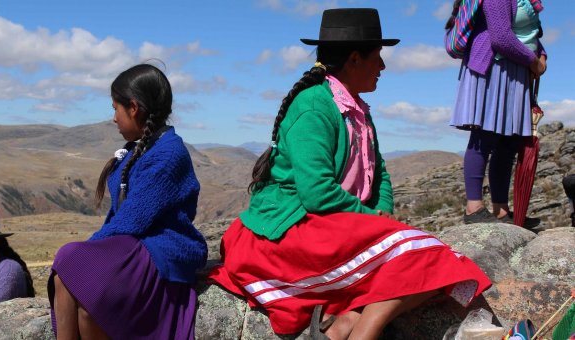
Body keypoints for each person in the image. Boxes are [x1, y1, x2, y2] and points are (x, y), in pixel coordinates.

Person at [209, 8, 492, 340]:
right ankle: (364, 333)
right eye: (378, 57)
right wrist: (374, 219)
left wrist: (382, 210)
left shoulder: (356, 108)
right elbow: (316, 193)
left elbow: (379, 170)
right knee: (427, 253)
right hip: (295, 229)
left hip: (338, 225)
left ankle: (348, 323)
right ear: (355, 59)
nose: (383, 67)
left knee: (434, 263)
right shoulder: (314, 106)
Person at [48, 64, 208, 340]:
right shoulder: (140, 147)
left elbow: (133, 219)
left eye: (115, 109)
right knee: (67, 263)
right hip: (134, 243)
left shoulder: (168, 154)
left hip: (161, 248)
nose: (113, 118)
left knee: (85, 289)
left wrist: (91, 246)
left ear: (133, 108)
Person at [447, 0, 547, 225]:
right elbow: (501, 37)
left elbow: (528, 32)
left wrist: (542, 55)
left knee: (508, 141)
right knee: (485, 136)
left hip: (514, 70)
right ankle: (474, 208)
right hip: (494, 69)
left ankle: (501, 210)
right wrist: (533, 62)